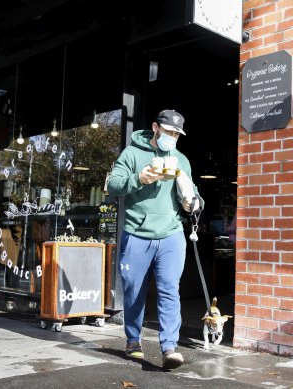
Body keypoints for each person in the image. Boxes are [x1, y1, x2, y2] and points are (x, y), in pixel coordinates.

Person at [107, 109, 203, 370]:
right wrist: (139, 178)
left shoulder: (181, 160)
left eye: (177, 134)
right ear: (156, 127)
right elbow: (112, 185)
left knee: (170, 290)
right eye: (169, 132)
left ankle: (169, 347)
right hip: (136, 235)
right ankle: (133, 340)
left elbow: (194, 196)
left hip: (172, 235)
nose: (172, 137)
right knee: (133, 291)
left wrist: (192, 203)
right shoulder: (132, 153)